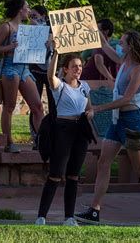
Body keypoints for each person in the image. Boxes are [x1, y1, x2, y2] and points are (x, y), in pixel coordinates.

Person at [75, 30, 140, 226]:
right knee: (104, 162)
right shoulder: (123, 61)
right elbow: (106, 48)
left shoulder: (139, 69)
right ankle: (95, 210)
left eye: (122, 42)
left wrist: (99, 107)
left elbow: (127, 99)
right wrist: (96, 32)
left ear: (131, 45)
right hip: (117, 121)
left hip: (131, 120)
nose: (119, 44)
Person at [35, 53, 94, 226]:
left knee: (73, 176)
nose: (78, 69)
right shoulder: (59, 86)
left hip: (80, 131)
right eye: (74, 66)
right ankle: (41, 216)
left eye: (80, 66)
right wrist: (56, 53)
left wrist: (91, 113)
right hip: (63, 130)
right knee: (55, 174)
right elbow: (50, 76)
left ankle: (69, 217)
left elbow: (89, 108)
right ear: (66, 69)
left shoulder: (85, 87)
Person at [0, 0, 44, 153]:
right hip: (10, 68)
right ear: (20, 9)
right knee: (10, 106)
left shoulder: (26, 28)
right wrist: (10, 47)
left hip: (24, 68)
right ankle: (8, 142)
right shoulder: (7, 27)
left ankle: (40, 141)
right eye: (27, 7)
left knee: (38, 106)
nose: (29, 10)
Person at [28, 5, 55, 149]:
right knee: (35, 105)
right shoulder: (28, 30)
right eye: (30, 16)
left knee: (54, 106)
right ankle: (37, 138)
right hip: (35, 71)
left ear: (44, 15)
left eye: (35, 15)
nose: (32, 19)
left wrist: (52, 44)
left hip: (51, 72)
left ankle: (53, 137)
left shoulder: (53, 29)